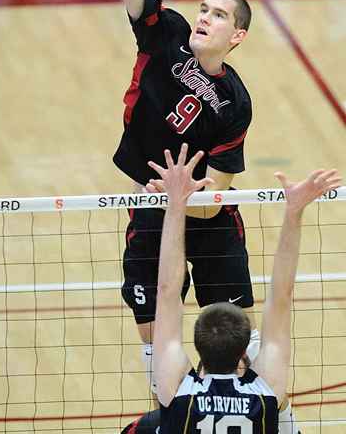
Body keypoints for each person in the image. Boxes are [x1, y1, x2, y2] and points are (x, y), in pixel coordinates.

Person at [80, 0, 258, 378]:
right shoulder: (168, 35)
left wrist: (183, 197)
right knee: (160, 351)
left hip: (207, 218)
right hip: (154, 207)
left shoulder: (234, 104)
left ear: (237, 35)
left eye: (220, 14)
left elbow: (218, 195)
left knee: (239, 354)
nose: (205, 16)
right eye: (204, 7)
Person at [121, 144, 341, 433]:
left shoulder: (177, 392)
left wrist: (175, 204)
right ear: (243, 355)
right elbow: (281, 297)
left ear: (197, 348)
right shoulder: (265, 393)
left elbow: (167, 291)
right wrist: (294, 212)